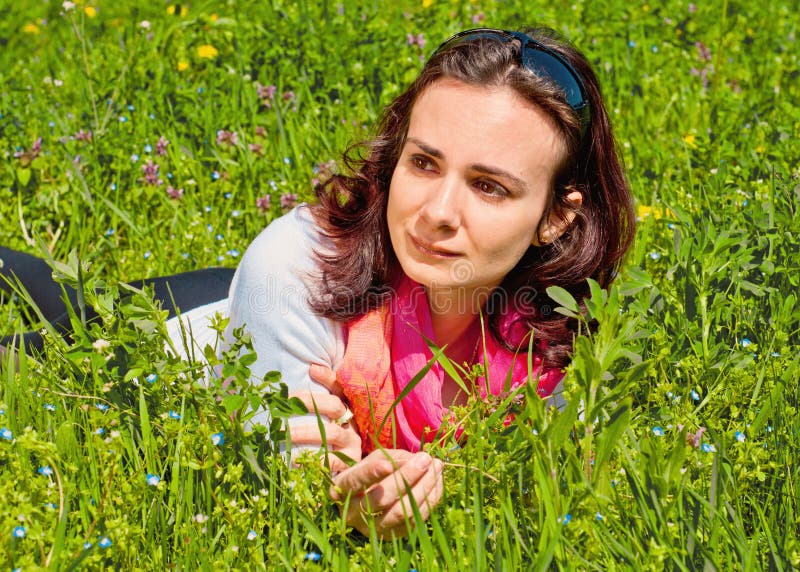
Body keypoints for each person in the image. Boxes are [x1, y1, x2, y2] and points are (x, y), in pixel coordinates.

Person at [1, 27, 634, 539]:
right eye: (423, 163)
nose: (438, 212)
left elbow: (546, 477)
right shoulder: (292, 264)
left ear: (557, 215)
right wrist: (344, 497)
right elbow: (286, 483)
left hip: (265, 306)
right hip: (195, 334)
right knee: (51, 327)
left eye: (489, 186)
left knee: (71, 295)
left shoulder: (562, 330)